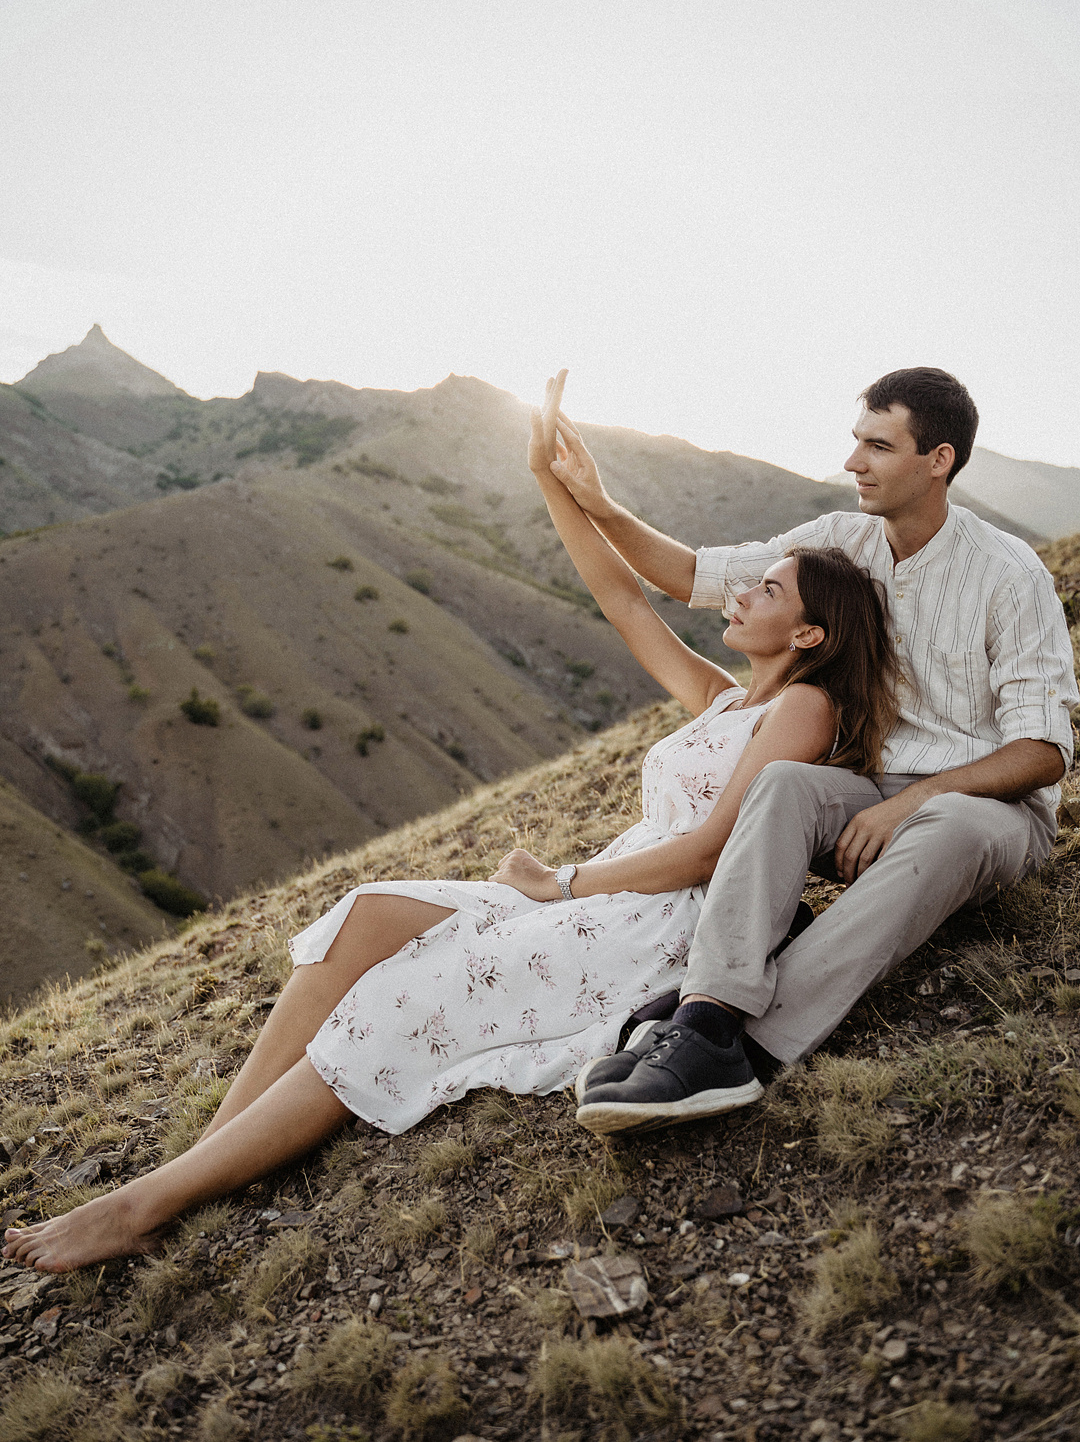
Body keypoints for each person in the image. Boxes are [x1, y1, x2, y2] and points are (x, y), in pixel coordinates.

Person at [2, 387, 898, 1273]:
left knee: (399, 994)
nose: (741, 592)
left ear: (811, 633)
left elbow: (711, 854)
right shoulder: (728, 699)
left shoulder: (807, 709)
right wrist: (549, 477)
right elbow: (624, 604)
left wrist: (564, 884)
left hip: (661, 917)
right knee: (362, 920)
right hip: (608, 888)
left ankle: (144, 1204)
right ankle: (203, 1159)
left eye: (767, 588)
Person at [555, 366, 1078, 1134]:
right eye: (855, 440)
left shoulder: (1008, 574)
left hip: (987, 805)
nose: (853, 462)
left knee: (952, 828)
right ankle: (705, 1014)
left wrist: (918, 798)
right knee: (786, 784)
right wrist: (597, 503)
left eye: (878, 445)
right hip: (869, 792)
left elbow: (1043, 752)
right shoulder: (840, 538)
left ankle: (749, 1052)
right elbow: (696, 576)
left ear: (938, 460)